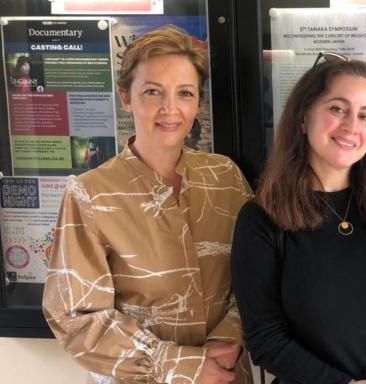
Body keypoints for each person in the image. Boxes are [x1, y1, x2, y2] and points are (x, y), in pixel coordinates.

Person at [42, 26, 254, 384]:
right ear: (126, 97)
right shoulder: (90, 194)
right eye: (153, 91)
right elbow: (76, 317)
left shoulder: (225, 178)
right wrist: (183, 365)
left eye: (184, 93)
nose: (170, 108)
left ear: (198, 100)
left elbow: (257, 274)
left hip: (229, 374)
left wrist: (229, 336)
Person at [231, 52, 366, 384]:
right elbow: (264, 337)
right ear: (303, 118)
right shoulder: (262, 217)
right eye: (337, 109)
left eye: (365, 115)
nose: (351, 126)